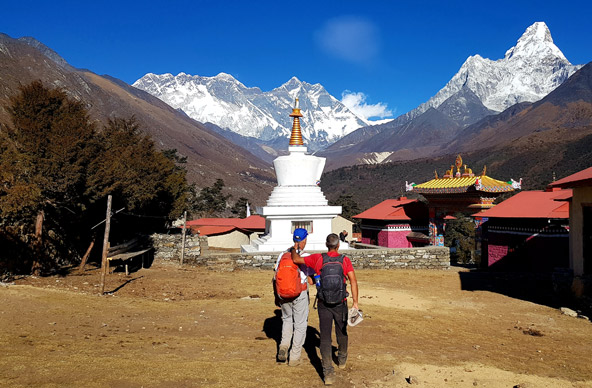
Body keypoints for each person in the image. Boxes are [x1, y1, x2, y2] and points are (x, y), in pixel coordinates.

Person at [291, 233, 359, 386]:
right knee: (342, 332)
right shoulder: (344, 260)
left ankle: (327, 372)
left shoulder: (318, 258)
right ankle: (342, 359)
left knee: (325, 337)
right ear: (338, 245)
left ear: (326, 245)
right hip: (340, 302)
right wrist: (355, 303)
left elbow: (296, 259)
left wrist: (295, 247)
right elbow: (353, 281)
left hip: (323, 303)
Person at [273, 228, 314, 366]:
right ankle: (294, 357)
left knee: (287, 320)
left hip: (283, 293)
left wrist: (276, 296)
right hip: (299, 293)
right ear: (304, 240)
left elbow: (275, 276)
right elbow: (311, 280)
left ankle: (283, 346)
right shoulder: (305, 256)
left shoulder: (282, 255)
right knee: (300, 324)